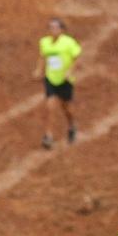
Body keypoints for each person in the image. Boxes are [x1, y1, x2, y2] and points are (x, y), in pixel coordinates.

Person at [36, 17, 81, 150]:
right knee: (50, 106)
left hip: (65, 80)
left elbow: (76, 58)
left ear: (62, 30)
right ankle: (48, 136)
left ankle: (72, 125)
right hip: (51, 78)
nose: (53, 30)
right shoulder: (45, 42)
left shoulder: (69, 43)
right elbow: (43, 56)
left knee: (66, 107)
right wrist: (39, 69)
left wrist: (70, 71)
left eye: (55, 28)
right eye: (50, 27)